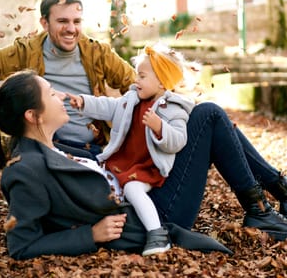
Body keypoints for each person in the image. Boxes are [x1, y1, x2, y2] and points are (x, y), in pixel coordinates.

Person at [0, 0, 287, 250]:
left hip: (99, 151)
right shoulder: (29, 146)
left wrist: (169, 97)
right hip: (133, 199)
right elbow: (25, 240)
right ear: (44, 23)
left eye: (77, 21)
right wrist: (3, 114)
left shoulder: (94, 52)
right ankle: (267, 207)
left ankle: (278, 197)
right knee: (211, 119)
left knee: (206, 118)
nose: (71, 28)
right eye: (62, 21)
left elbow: (132, 87)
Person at [0, 70, 232, 259]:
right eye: (51, 94)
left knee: (202, 117)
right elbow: (22, 245)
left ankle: (263, 199)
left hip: (145, 192)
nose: (60, 97)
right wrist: (90, 235)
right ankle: (261, 202)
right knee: (208, 115)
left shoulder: (53, 146)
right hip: (154, 218)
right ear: (33, 116)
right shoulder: (25, 171)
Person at [67, 43, 195, 256]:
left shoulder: (174, 109)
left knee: (132, 190)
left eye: (142, 76)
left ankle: (157, 234)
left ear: (162, 82)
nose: (136, 80)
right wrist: (84, 103)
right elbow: (108, 105)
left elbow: (178, 140)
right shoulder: (132, 98)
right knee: (99, 180)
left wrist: (159, 127)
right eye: (137, 75)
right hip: (123, 162)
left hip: (146, 167)